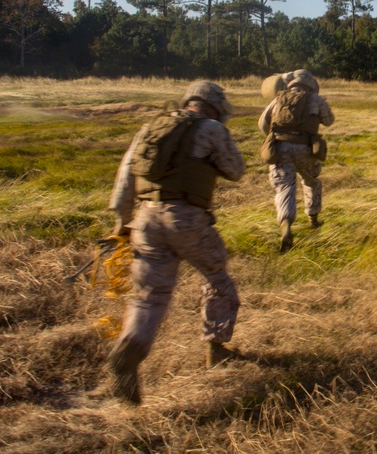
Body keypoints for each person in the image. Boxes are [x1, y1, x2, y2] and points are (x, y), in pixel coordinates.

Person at [101, 81, 246, 405]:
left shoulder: (151, 127)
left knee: (149, 296)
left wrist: (122, 223)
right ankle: (216, 347)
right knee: (218, 277)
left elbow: (125, 177)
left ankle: (130, 348)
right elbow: (236, 170)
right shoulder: (211, 128)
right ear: (216, 107)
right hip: (186, 218)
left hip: (145, 220)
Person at [258, 70, 334, 253]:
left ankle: (286, 224)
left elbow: (262, 124)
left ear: (291, 84)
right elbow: (329, 120)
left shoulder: (278, 99)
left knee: (284, 186)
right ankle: (313, 218)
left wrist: (276, 136)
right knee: (311, 181)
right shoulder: (316, 100)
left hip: (281, 148)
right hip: (305, 149)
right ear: (311, 85)